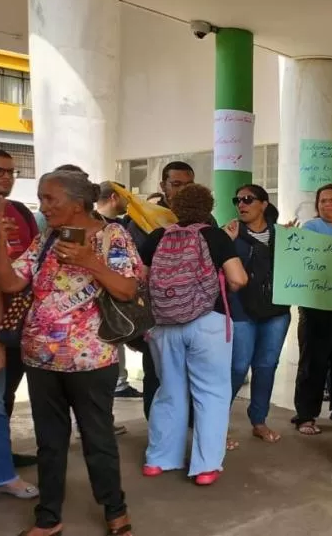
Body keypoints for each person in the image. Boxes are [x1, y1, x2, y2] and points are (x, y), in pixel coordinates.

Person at [0, 170, 140, 536]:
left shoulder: (113, 236)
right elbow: (11, 282)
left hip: (92, 360)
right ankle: (49, 518)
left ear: (77, 203)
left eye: (49, 199)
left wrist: (89, 261)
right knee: (50, 443)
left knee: (98, 439)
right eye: (41, 198)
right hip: (39, 359)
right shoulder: (46, 238)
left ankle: (115, 510)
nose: (42, 206)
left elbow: (126, 290)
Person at [140, 184, 247, 486]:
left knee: (169, 391)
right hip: (207, 322)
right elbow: (238, 279)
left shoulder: (157, 237)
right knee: (211, 394)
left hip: (164, 324)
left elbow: (141, 280)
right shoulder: (215, 236)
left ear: (175, 207)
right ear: (209, 207)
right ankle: (205, 467)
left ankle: (158, 459)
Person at [125, 161, 202, 420]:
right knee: (157, 375)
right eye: (176, 184)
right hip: (157, 315)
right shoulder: (142, 220)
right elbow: (136, 270)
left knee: (193, 374)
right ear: (163, 186)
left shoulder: (205, 217)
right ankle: (158, 432)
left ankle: (188, 427)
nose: (182, 190)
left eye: (188, 185)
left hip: (196, 312)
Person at [224, 185, 290, 445]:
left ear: (263, 204)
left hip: (276, 311)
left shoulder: (283, 235)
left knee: (266, 366)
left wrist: (295, 243)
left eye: (248, 199)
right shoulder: (230, 234)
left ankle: (259, 420)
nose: (241, 204)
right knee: (238, 366)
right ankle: (217, 422)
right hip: (240, 310)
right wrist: (225, 244)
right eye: (237, 199)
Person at [0, 147, 41, 469]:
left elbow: (36, 260)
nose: (5, 177)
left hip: (17, 319)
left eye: (10, 172)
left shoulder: (21, 211)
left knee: (4, 394)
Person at [291, 184, 332, 434]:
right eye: (323, 201)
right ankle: (306, 415)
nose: (328, 205)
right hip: (315, 306)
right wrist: (289, 238)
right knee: (313, 363)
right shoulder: (310, 229)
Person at [96, 181, 143, 400]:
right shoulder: (100, 226)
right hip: (100, 306)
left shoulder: (122, 225)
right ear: (114, 197)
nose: (129, 201)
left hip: (117, 303)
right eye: (126, 196)